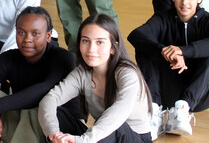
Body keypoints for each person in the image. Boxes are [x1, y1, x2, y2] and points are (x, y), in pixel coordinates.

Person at [128, 0, 209, 139]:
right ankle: (154, 111)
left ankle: (182, 111)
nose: (185, 2)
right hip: (165, 93)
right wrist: (163, 50)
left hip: (198, 97)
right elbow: (136, 35)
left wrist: (183, 51)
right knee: (145, 47)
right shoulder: (163, 19)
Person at [0, 7, 84, 143]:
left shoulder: (62, 58)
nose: (27, 39)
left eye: (35, 34)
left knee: (38, 108)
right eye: (21, 32)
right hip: (24, 126)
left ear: (48, 35)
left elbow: (43, 90)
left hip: (64, 131)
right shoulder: (10, 57)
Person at [39, 14, 153, 143]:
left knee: (116, 127)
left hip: (132, 138)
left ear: (113, 48)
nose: (91, 49)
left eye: (100, 42)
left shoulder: (127, 73)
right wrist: (53, 134)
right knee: (56, 114)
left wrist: (82, 140)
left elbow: (118, 114)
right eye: (86, 41)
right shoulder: (82, 73)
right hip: (100, 137)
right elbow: (50, 99)